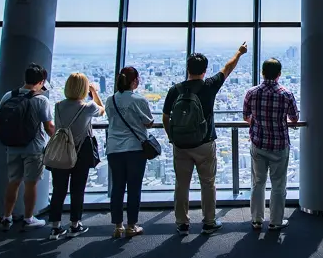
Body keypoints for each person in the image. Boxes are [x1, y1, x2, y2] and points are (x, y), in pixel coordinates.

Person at [163, 43, 248, 236]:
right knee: (208, 182)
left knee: (181, 184)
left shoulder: (175, 90)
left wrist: (172, 137)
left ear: (187, 69)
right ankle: (209, 222)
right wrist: (239, 52)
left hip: (181, 145)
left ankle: (182, 222)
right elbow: (227, 68)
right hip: (205, 142)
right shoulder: (209, 86)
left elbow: (166, 116)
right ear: (205, 70)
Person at [48, 73, 105, 240]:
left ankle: (55, 227)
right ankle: (75, 224)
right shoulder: (87, 107)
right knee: (77, 190)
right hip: (81, 152)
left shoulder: (58, 105)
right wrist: (94, 92)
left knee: (58, 190)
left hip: (61, 151)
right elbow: (102, 111)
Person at [0, 63, 55, 231]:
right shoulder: (41, 100)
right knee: (31, 184)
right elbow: (48, 127)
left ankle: (6, 216)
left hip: (12, 146)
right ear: (41, 81)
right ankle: (29, 218)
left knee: (13, 182)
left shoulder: (9, 95)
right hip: (34, 148)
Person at [244, 57, 299, 231]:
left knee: (258, 183)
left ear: (262, 73)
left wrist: (258, 121)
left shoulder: (251, 92)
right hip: (279, 144)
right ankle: (275, 222)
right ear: (279, 75)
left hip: (258, 143)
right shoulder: (286, 94)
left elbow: (246, 116)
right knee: (278, 184)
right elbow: (294, 118)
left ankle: (256, 220)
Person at [106, 66, 154, 238]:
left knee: (117, 187)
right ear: (134, 81)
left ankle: (117, 226)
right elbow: (148, 122)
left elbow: (110, 120)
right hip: (134, 148)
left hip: (114, 148)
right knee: (134, 187)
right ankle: (131, 225)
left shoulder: (110, 99)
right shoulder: (138, 100)